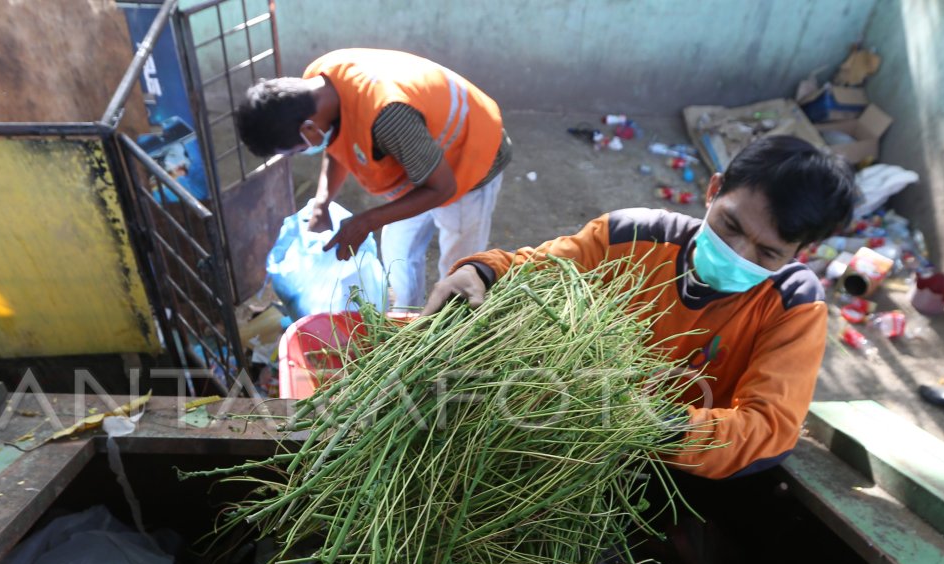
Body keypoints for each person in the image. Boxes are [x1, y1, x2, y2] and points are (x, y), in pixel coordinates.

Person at [421, 135, 856, 480]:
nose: (737, 252)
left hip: (673, 470)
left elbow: (767, 429)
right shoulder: (631, 235)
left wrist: (646, 423)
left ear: (802, 250)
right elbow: (536, 269)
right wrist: (482, 271)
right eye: (730, 225)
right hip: (561, 434)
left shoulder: (794, 305)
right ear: (713, 189)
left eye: (767, 253)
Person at [235, 48, 511, 309]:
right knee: (398, 254)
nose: (305, 152)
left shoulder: (388, 116)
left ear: (309, 128)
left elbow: (442, 188)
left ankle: (450, 334)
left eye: (298, 149)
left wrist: (367, 221)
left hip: (469, 161)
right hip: (418, 164)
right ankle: (408, 318)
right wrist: (322, 202)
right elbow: (336, 144)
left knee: (457, 269)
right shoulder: (316, 87)